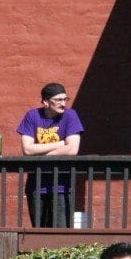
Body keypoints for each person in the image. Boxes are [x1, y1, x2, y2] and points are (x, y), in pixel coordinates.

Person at [16, 82, 84, 228]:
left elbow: (72, 149)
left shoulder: (70, 115)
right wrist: (60, 144)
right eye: (58, 100)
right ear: (46, 102)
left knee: (61, 232)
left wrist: (39, 153)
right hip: (36, 184)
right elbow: (27, 150)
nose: (63, 103)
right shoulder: (32, 116)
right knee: (39, 230)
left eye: (65, 99)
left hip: (62, 185)